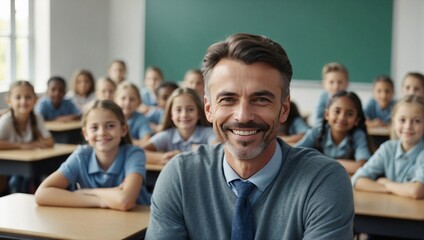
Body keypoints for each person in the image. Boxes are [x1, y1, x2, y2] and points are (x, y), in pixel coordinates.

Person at [146, 33, 354, 239]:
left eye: (261, 99)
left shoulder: (323, 181)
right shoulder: (180, 177)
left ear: (284, 109)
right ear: (208, 109)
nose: (243, 116)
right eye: (228, 99)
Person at [34, 100, 151, 210]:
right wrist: (101, 202)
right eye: (94, 128)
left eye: (110, 126)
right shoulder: (81, 156)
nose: (102, 133)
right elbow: (41, 194)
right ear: (85, 134)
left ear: (123, 129)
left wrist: (88, 191)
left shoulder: (134, 154)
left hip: (137, 226)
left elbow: (125, 201)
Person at [352, 95, 424, 199]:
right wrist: (393, 190)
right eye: (402, 120)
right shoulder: (388, 148)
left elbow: (416, 191)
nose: (408, 126)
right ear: (394, 122)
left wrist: (388, 183)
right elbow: (357, 180)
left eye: (417, 121)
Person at [296, 91, 372, 175]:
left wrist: (325, 162)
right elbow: (296, 155)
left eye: (349, 114)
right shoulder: (318, 131)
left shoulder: (358, 135)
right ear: (327, 114)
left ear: (356, 120)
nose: (342, 117)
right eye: (337, 111)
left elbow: (361, 165)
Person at [0, 81, 54, 193]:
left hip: (28, 168)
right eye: (18, 97)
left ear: (35, 100)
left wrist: (38, 143)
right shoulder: (6, 120)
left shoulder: (36, 117)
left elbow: (49, 141)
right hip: (8, 168)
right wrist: (23, 146)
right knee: (17, 180)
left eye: (28, 97)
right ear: (9, 101)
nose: (23, 101)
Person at [142, 87, 215, 165]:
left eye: (190, 109)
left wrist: (184, 156)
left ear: (199, 113)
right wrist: (165, 157)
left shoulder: (208, 133)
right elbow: (140, 153)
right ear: (171, 114)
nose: (184, 115)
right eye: (178, 110)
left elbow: (217, 151)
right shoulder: (167, 135)